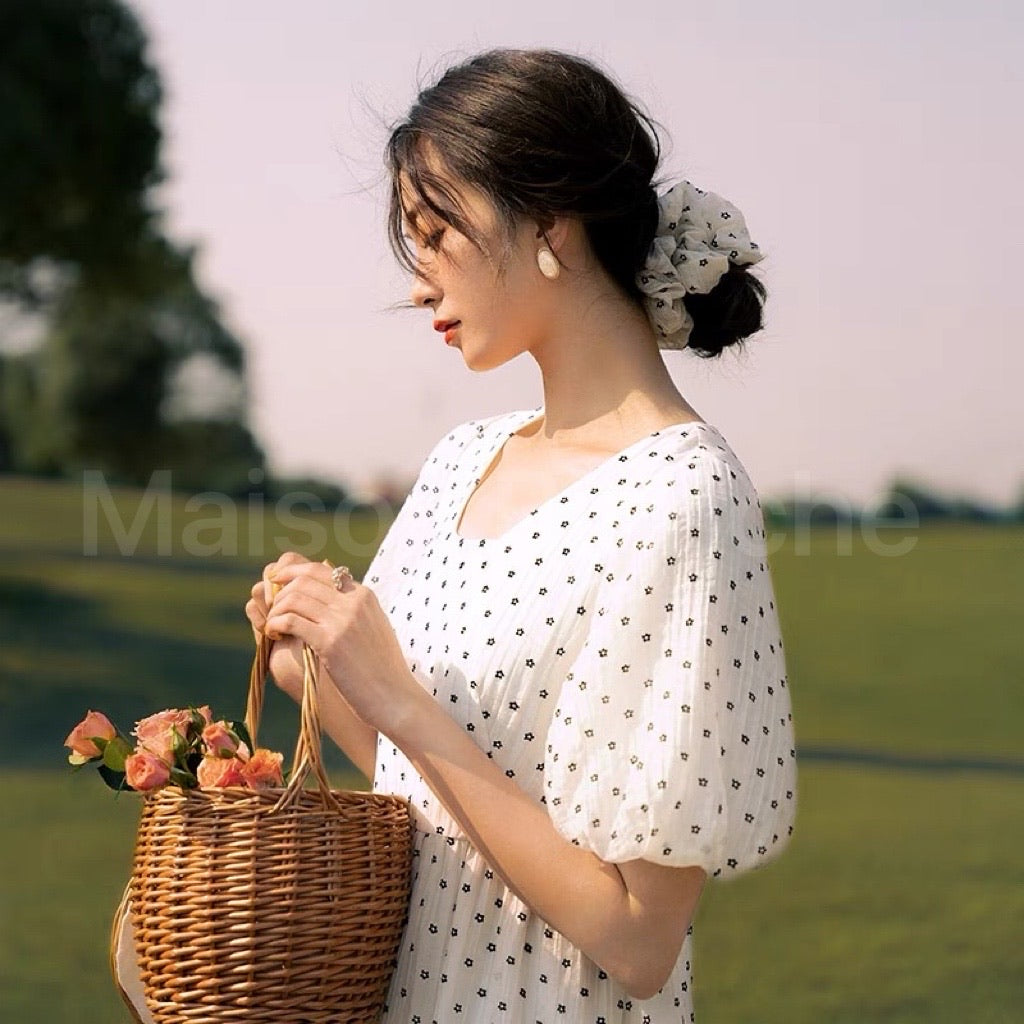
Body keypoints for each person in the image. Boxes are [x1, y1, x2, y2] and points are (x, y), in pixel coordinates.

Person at [247, 47, 797, 1024]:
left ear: (549, 218)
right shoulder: (465, 457)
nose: (418, 283)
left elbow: (636, 937)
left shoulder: (681, 496)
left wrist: (401, 700)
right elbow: (425, 792)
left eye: (436, 230)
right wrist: (320, 668)